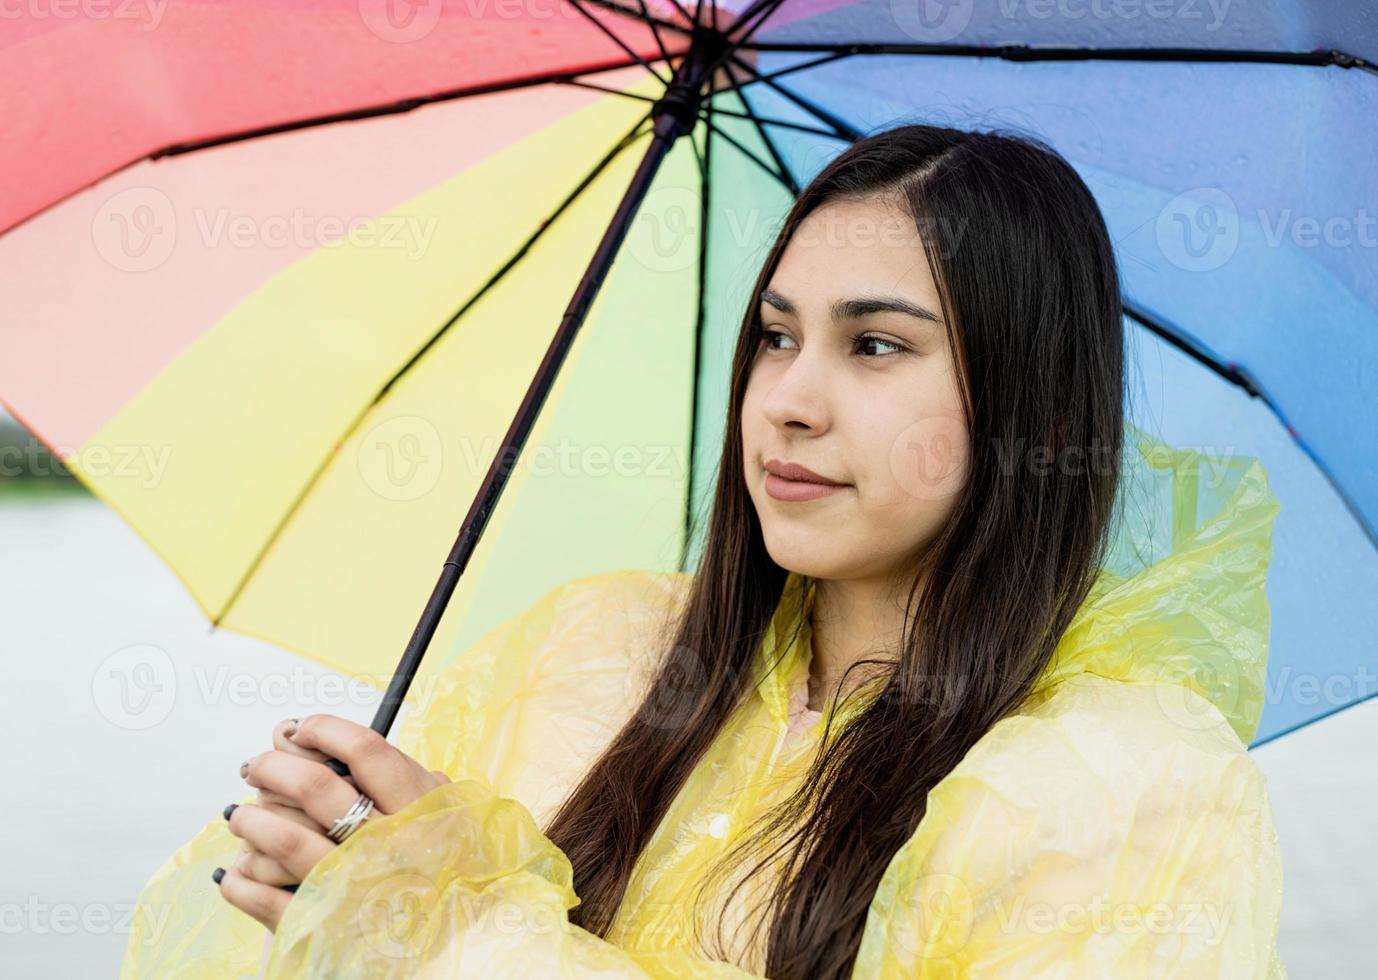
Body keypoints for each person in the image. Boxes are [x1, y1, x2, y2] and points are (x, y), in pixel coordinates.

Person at [120, 123, 1286, 978]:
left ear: (1030, 408)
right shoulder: (596, 645)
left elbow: (444, 934)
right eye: (775, 335)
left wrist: (447, 933)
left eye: (874, 346)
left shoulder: (1121, 789)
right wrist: (319, 891)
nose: (787, 398)